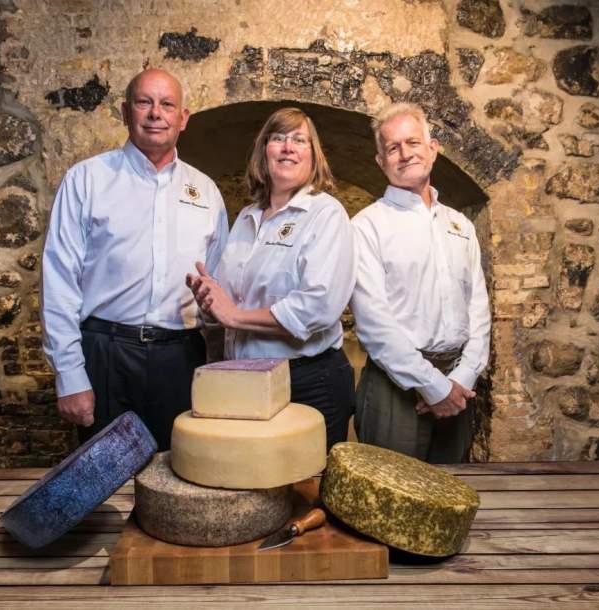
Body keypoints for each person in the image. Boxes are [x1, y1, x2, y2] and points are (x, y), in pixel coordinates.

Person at [42, 69, 228, 451]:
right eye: (145, 102)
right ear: (126, 112)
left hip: (181, 359)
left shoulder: (207, 192)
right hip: (105, 355)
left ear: (183, 118)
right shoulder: (86, 180)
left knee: (180, 474)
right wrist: (69, 376)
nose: (156, 113)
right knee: (103, 476)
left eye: (167, 104)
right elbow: (59, 280)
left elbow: (220, 285)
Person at [186, 107, 355, 450]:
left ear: (314, 155)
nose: (288, 147)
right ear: (264, 151)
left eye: (299, 140)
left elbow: (318, 307)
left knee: (308, 481)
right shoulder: (247, 217)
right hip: (245, 378)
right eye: (278, 138)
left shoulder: (326, 214)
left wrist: (234, 316)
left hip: (307, 380)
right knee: (251, 475)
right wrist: (210, 304)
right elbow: (229, 300)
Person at [349, 102, 491, 463]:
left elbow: (478, 307)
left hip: (458, 383)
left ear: (433, 148)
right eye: (393, 147)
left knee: (451, 488)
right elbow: (374, 323)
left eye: (413, 142)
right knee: (388, 491)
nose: (405, 153)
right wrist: (433, 387)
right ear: (381, 161)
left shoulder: (460, 225)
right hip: (395, 387)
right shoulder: (366, 226)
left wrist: (463, 377)